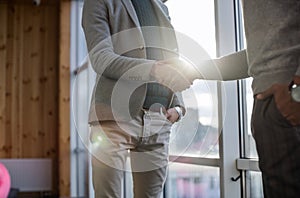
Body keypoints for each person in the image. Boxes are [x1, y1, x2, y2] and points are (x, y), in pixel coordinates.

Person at [183, 1, 300, 197]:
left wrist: (297, 95)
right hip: (276, 103)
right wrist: (194, 70)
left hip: (288, 103)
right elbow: (260, 53)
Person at [82, 0, 193, 197]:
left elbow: (170, 59)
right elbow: (101, 58)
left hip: (159, 118)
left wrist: (178, 106)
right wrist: (152, 69)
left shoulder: (161, 7)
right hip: (114, 117)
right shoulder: (98, 2)